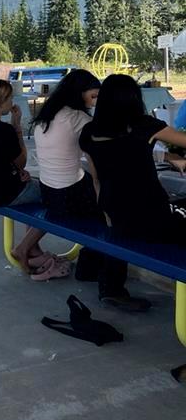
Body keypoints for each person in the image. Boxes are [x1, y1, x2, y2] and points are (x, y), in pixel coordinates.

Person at [33, 70, 149, 311]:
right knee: (117, 218)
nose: (96, 102)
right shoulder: (79, 119)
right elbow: (106, 158)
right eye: (93, 96)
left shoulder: (49, 115)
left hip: (50, 194)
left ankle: (88, 267)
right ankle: (112, 288)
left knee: (100, 209)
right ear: (79, 94)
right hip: (69, 196)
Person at [0, 79, 69, 280]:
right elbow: (22, 161)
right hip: (5, 193)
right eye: (10, 98)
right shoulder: (3, 130)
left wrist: (16, 172)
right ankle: (24, 248)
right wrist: (17, 125)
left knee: (37, 185)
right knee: (58, 197)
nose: (12, 101)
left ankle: (33, 249)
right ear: (1, 102)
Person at [80, 74, 186, 248]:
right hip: (155, 219)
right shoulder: (144, 125)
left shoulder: (89, 132)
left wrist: (108, 220)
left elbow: (97, 179)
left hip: (118, 215)